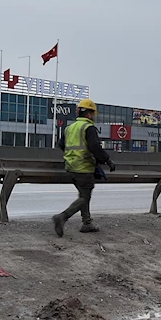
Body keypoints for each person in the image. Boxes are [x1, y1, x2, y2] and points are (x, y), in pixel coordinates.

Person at [52, 99, 115, 237]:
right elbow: (95, 147)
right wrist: (108, 160)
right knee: (85, 196)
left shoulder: (70, 128)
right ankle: (62, 217)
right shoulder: (88, 128)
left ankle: (87, 223)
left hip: (70, 167)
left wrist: (72, 155)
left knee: (83, 194)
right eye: (93, 114)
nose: (93, 116)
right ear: (88, 114)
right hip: (84, 167)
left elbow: (61, 144)